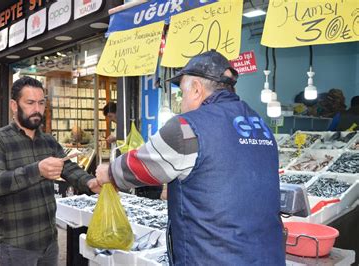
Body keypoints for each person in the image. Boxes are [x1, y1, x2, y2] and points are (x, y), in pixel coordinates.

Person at [96, 50, 284, 265]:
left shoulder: (188, 126)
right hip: (268, 255)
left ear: (196, 89)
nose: (181, 100)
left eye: (182, 93)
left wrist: (108, 172)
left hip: (214, 257)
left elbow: (143, 164)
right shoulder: (260, 125)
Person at [0, 76, 101, 266]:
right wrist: (37, 170)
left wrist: (90, 182)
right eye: (30, 103)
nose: (37, 109)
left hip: (49, 242)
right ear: (14, 105)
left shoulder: (49, 141)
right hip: (16, 245)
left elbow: (68, 167)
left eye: (41, 103)